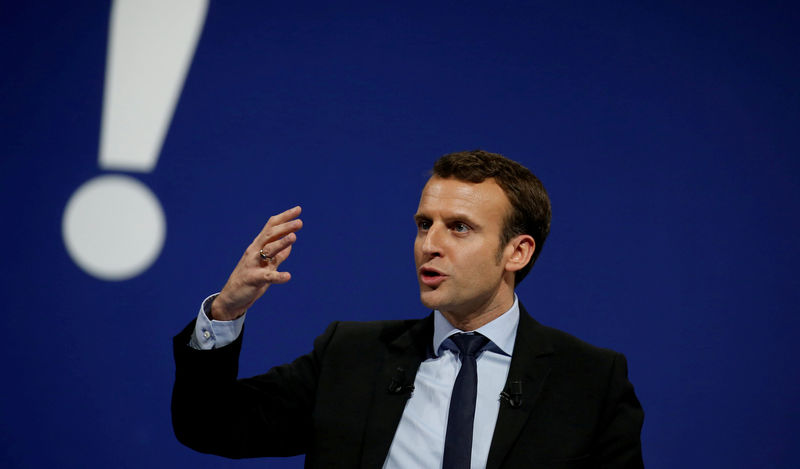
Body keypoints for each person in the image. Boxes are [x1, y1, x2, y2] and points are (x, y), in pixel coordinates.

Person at [172, 150, 644, 468]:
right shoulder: (352, 357)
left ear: (516, 252)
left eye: (459, 227)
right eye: (424, 224)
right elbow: (209, 425)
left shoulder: (589, 381)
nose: (429, 245)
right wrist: (226, 311)